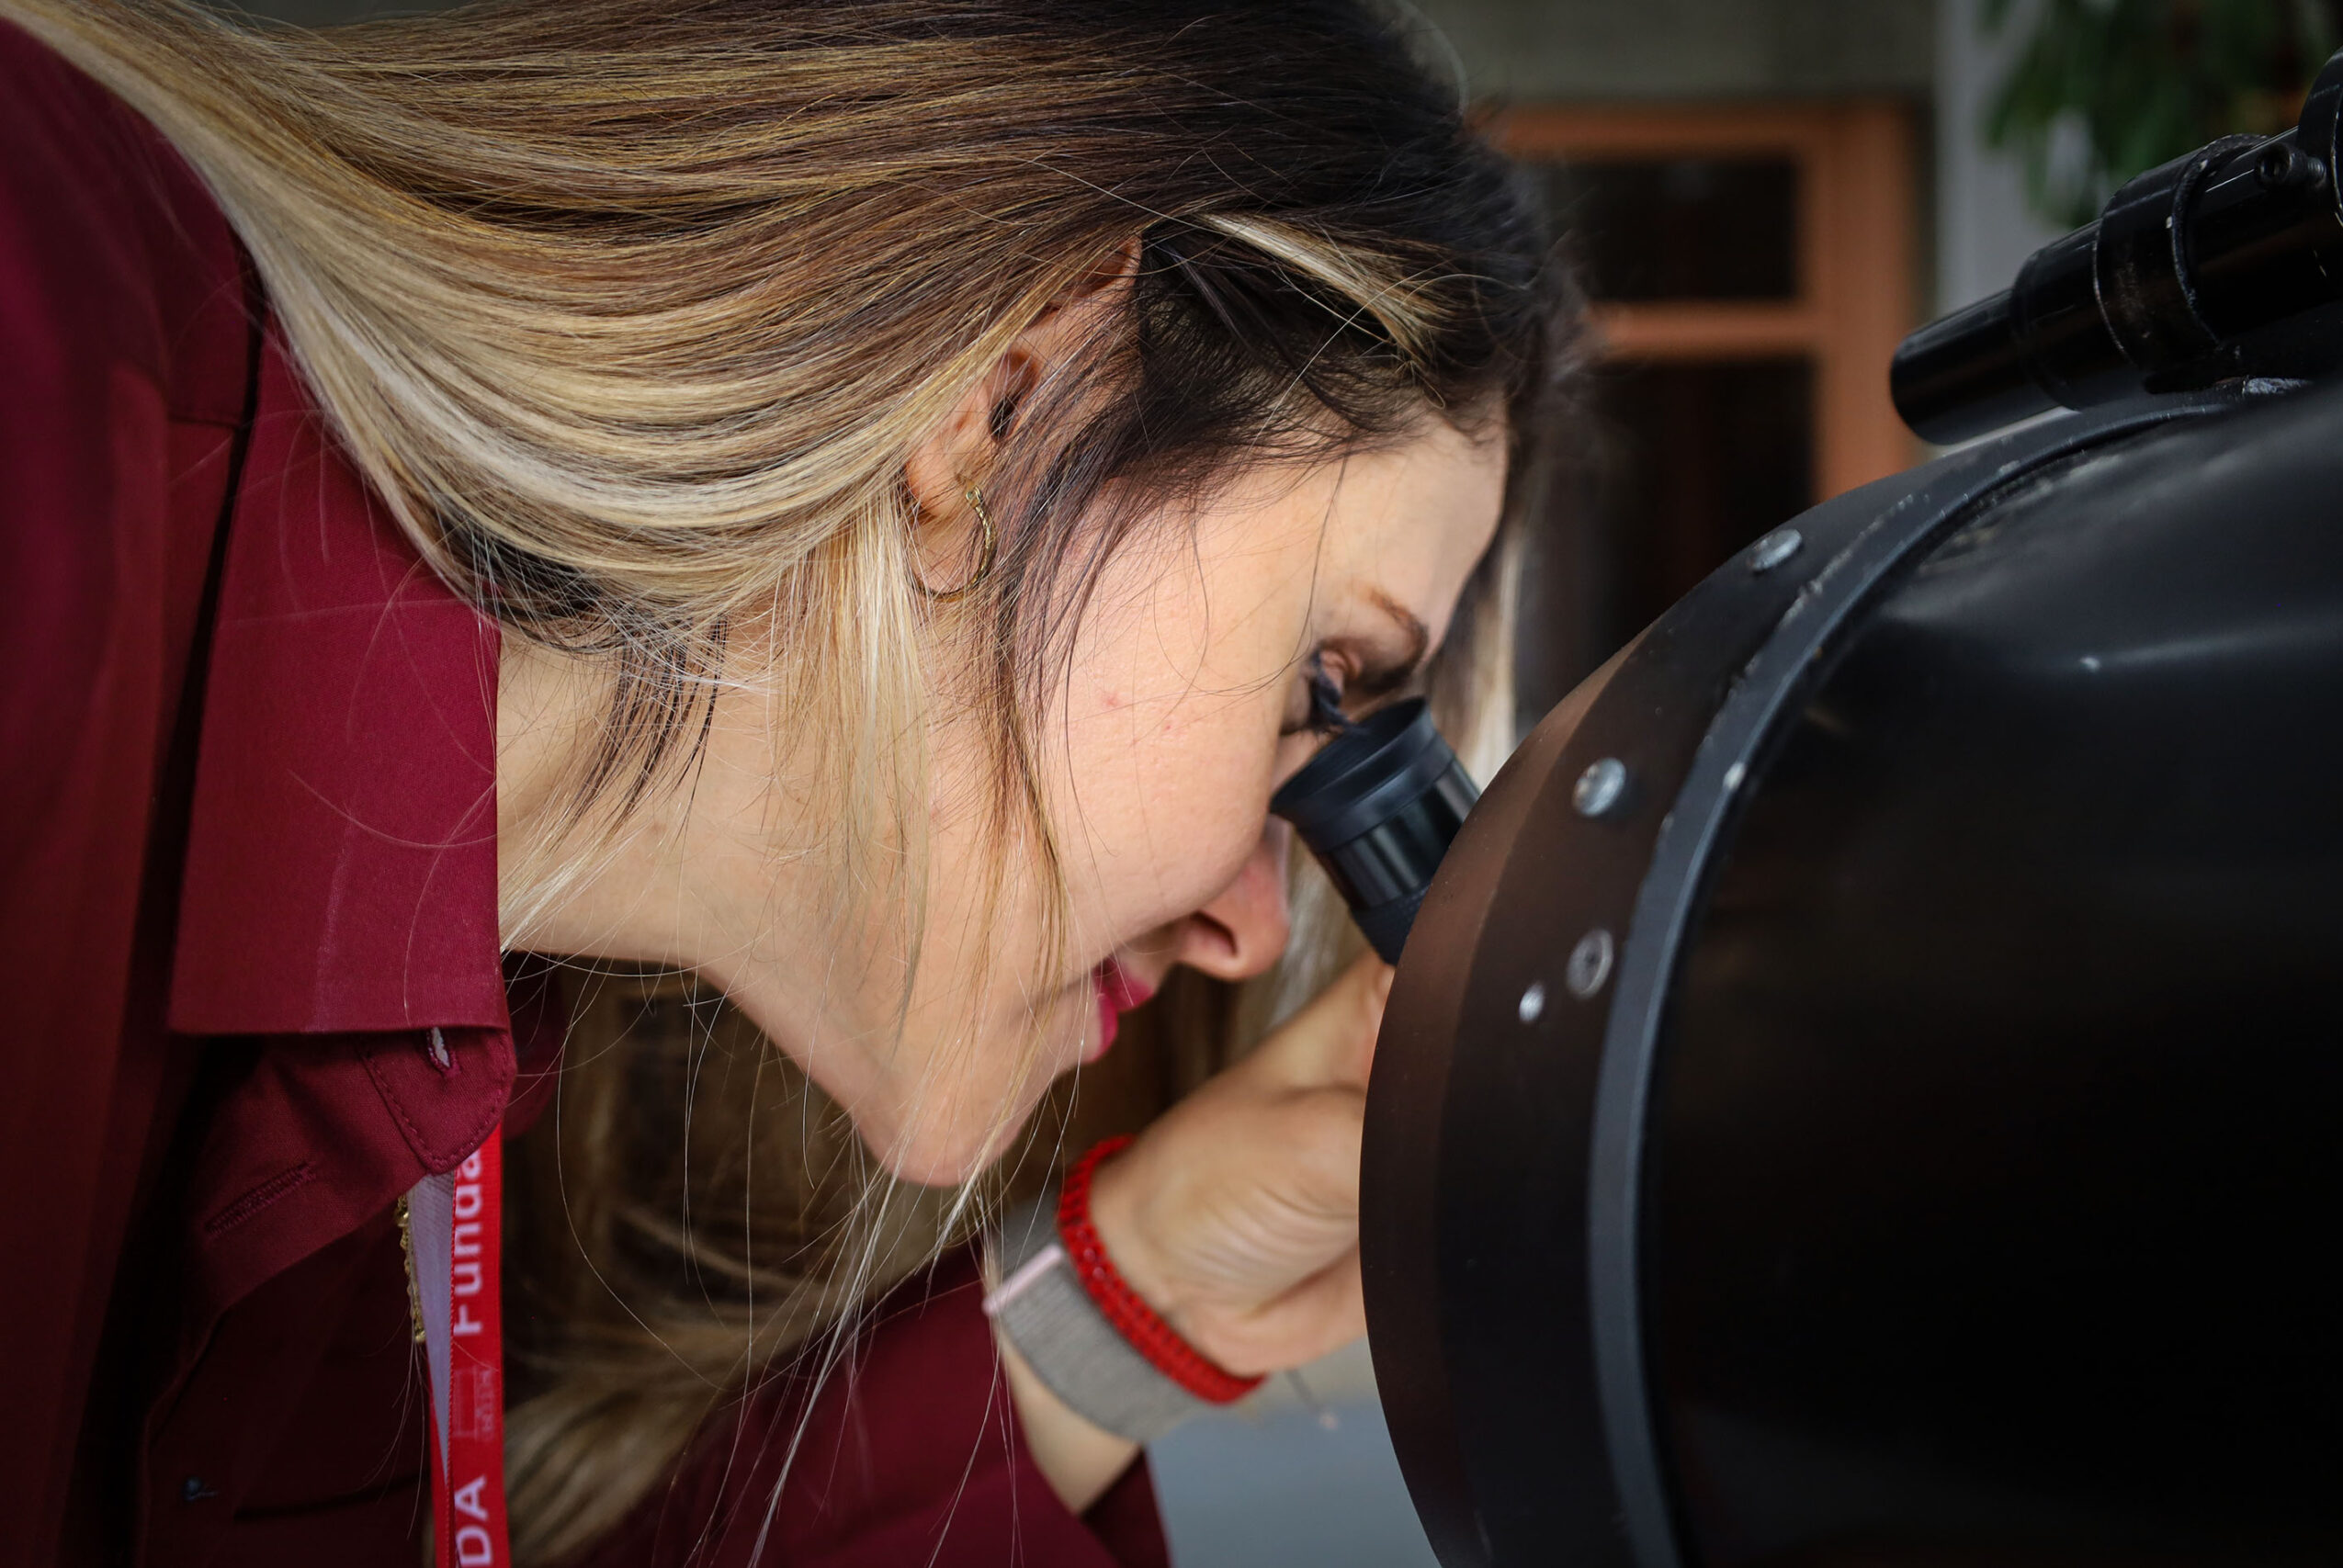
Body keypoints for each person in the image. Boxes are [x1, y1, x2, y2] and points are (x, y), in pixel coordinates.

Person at [0, 0, 1570, 1562]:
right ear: (1026, 400)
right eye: (1329, 681)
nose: (1249, 927)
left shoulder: (387, 1080)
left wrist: (1142, 1293)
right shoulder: (40, 395)